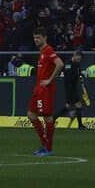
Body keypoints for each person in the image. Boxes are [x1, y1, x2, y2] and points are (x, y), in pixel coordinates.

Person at [28, 28, 64, 157]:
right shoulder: (42, 51)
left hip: (45, 89)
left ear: (45, 38)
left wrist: (49, 80)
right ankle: (44, 144)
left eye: (38, 37)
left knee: (47, 117)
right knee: (31, 114)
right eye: (34, 38)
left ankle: (48, 148)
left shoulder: (48, 50)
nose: (36, 40)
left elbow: (59, 64)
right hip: (39, 88)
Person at [55, 50, 89, 130]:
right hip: (70, 88)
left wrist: (81, 74)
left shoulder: (76, 64)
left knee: (69, 106)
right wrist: (78, 75)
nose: (79, 60)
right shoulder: (68, 64)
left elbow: (77, 73)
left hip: (73, 88)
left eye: (80, 59)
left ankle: (53, 119)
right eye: (78, 58)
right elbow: (69, 77)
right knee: (78, 105)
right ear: (74, 55)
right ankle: (80, 125)